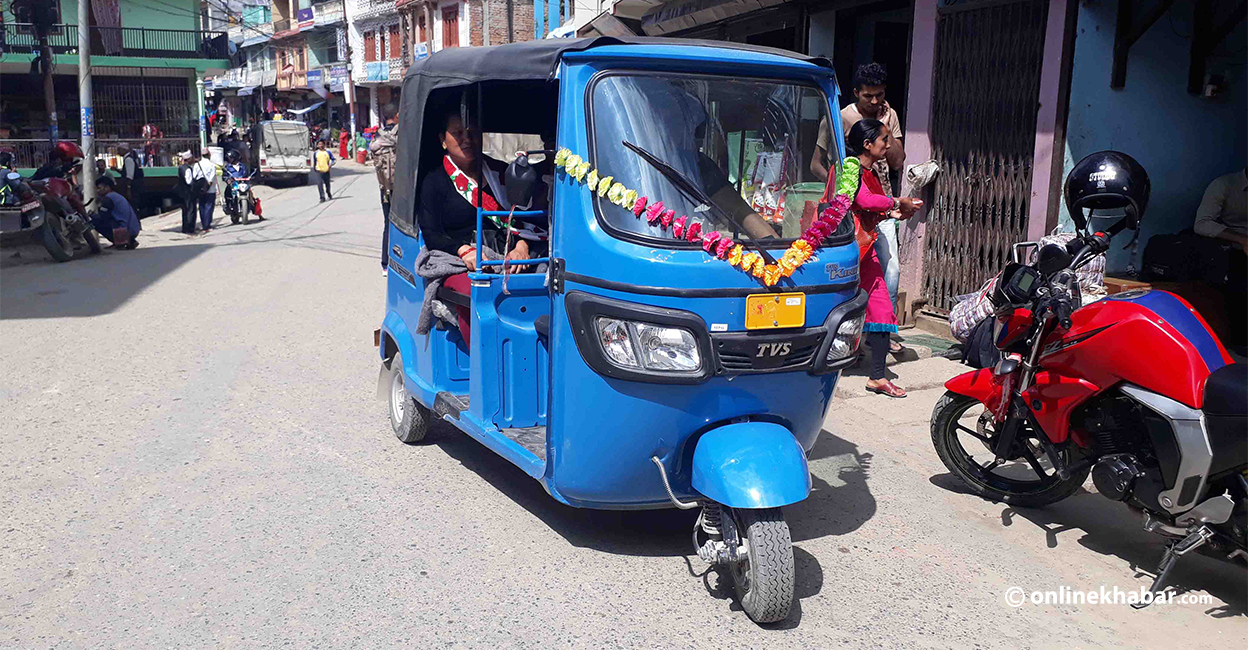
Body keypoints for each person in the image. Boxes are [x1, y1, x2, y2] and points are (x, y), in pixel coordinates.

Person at [417, 109, 532, 344]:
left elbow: (524, 218)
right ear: (443, 140)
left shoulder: (500, 172)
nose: (466, 139)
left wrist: (522, 246)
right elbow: (432, 234)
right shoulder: (434, 181)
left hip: (506, 253)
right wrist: (463, 250)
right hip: (458, 258)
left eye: (471, 132)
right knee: (480, 294)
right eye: (458, 133)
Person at [813, 63, 906, 348]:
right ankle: (843, 332)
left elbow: (897, 161)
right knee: (846, 272)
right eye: (869, 96)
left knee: (890, 272)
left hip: (882, 208)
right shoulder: (839, 117)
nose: (875, 102)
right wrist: (845, 189)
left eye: (880, 95)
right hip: (849, 214)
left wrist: (887, 126)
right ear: (856, 93)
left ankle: (880, 333)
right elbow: (817, 164)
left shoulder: (888, 117)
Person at [833, 119, 922, 398]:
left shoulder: (870, 171)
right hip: (843, 253)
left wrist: (892, 211)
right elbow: (865, 200)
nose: (888, 144)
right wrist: (896, 202)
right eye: (884, 139)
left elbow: (870, 207)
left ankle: (877, 378)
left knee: (882, 307)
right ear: (868, 144)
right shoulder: (850, 167)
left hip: (864, 251)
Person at [1194, 167, 1247, 349]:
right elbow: (1202, 224)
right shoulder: (1224, 185)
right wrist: (1242, 240)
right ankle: (1241, 341)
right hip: (1232, 247)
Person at [371, 103, 399, 275]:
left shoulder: (377, 136)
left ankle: (385, 264)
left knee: (387, 225)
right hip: (402, 188)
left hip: (384, 189)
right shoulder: (401, 134)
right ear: (397, 115)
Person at [92, 176, 141, 250]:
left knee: (95, 222)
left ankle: (119, 242)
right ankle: (130, 241)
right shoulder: (116, 196)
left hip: (125, 230)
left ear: (107, 187)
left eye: (99, 188)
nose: (97, 191)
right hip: (133, 229)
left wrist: (91, 215)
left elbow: (103, 217)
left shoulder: (108, 198)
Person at [184, 151, 218, 233]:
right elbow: (212, 176)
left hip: (200, 189)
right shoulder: (212, 165)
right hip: (210, 188)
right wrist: (208, 183)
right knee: (209, 206)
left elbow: (195, 176)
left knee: (202, 206)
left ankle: (204, 224)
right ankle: (207, 225)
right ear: (209, 155)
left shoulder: (197, 165)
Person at [116, 143, 144, 211]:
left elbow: (129, 176)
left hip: (132, 187)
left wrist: (128, 189)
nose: (118, 152)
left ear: (124, 150)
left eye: (119, 150)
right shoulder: (128, 159)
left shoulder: (128, 160)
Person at [175, 151, 197, 234]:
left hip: (183, 193)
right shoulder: (187, 169)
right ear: (189, 159)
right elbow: (189, 181)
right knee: (190, 210)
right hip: (188, 193)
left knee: (185, 211)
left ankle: (185, 228)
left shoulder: (181, 167)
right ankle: (190, 228)